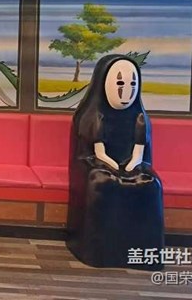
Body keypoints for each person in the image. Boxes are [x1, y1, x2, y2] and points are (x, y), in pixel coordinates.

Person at [66, 54, 164, 270]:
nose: (126, 91)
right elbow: (97, 152)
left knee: (150, 184)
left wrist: (129, 167)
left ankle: (144, 254)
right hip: (94, 161)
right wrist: (114, 168)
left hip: (133, 163)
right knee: (100, 181)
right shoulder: (94, 116)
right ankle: (99, 252)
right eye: (120, 84)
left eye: (132, 84)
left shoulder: (139, 118)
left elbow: (139, 152)